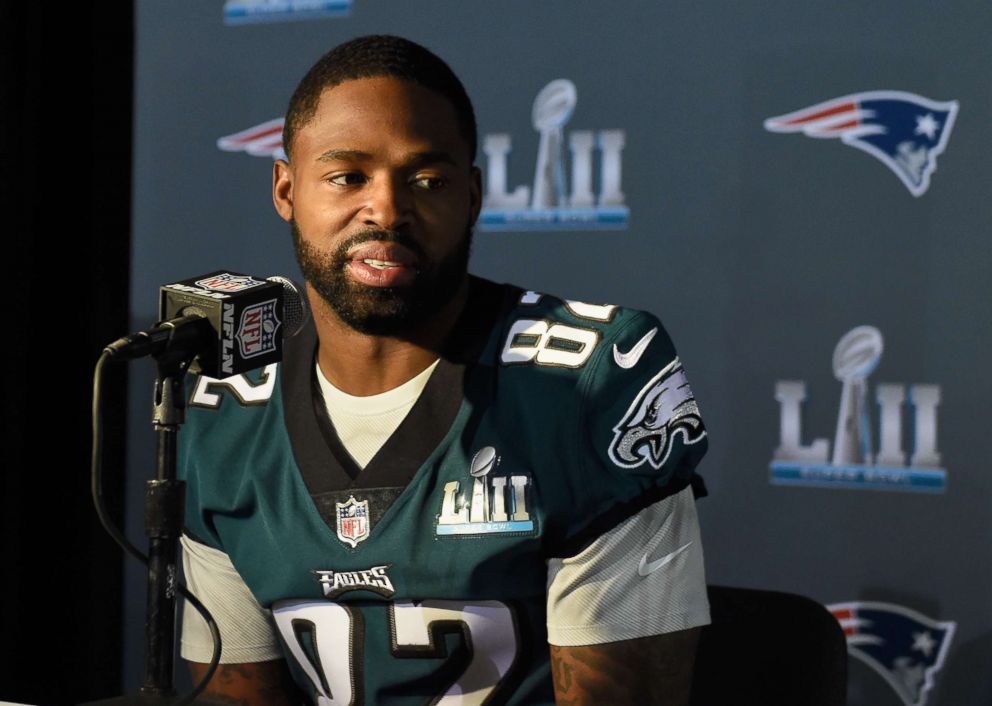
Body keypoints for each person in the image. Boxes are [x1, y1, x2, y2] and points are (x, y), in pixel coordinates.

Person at [178, 34, 711, 705]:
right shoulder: (223, 407)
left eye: (426, 181)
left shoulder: (590, 380)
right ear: (286, 188)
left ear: (474, 195)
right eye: (348, 176)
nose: (387, 211)